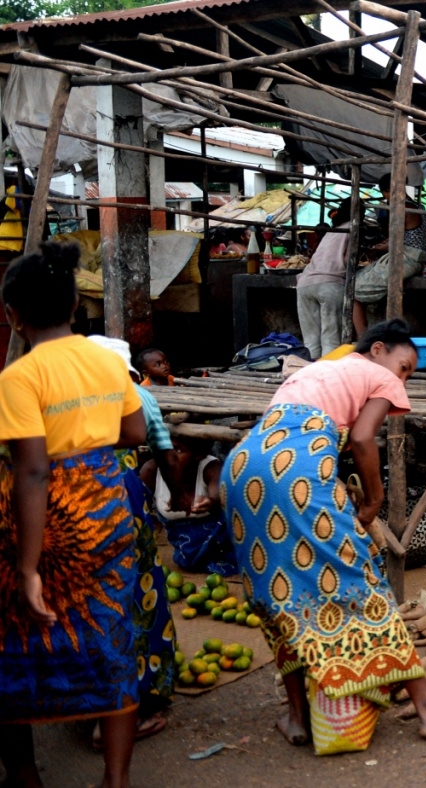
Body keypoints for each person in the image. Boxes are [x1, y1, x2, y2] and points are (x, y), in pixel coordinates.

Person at [221, 319, 426, 750]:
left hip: (243, 467)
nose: (404, 379)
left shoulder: (317, 370)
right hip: (296, 470)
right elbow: (361, 438)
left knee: (278, 595)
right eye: (405, 366)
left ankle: (298, 716)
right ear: (377, 350)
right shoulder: (379, 375)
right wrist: (373, 499)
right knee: (360, 584)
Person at [0, 242, 147, 788]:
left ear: (12, 316)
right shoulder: (108, 360)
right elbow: (134, 433)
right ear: (73, 307)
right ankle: (115, 779)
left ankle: (22, 773)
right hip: (106, 511)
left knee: (13, 638)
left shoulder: (18, 378)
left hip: (47, 520)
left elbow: (32, 471)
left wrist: (29, 566)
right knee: (110, 637)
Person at [86, 335, 182, 748]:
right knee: (138, 601)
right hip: (120, 505)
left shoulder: (70, 397)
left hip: (72, 506)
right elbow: (165, 453)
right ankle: (130, 710)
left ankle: (86, 706)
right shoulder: (139, 397)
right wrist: (177, 496)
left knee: (89, 603)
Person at [141, 436, 235, 576]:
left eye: (178, 450)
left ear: (197, 455)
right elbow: (137, 511)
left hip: (218, 539)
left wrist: (210, 502)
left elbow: (218, 496)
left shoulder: (211, 468)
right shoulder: (151, 470)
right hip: (183, 545)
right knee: (186, 562)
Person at [353, 175, 426, 336]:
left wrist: (380, 247)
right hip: (412, 258)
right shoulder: (417, 206)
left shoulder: (403, 208)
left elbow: (397, 240)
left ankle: (362, 340)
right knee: (362, 279)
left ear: (388, 191)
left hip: (406, 259)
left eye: (385, 194)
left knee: (352, 290)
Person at [297, 202, 354, 359]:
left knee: (311, 341)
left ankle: (310, 373)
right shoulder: (353, 228)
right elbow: (350, 260)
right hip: (330, 283)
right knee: (331, 339)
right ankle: (327, 375)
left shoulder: (332, 230)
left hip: (305, 283)